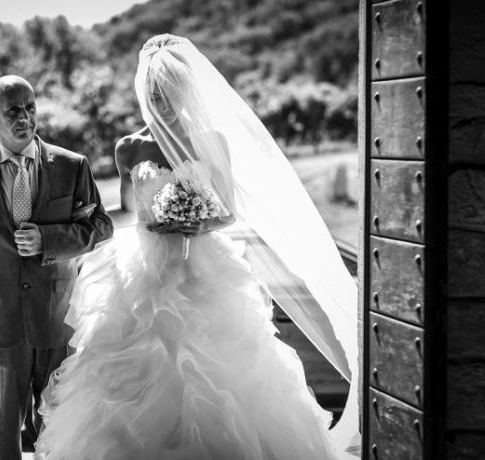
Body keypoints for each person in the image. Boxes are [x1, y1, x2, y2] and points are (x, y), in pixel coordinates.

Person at [35, 35, 358, 459]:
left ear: (184, 92)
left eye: (169, 93)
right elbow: (134, 213)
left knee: (217, 367)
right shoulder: (128, 147)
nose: (162, 102)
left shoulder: (212, 141)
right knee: (138, 369)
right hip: (145, 268)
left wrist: (195, 220)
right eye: (155, 94)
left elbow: (229, 213)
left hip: (204, 266)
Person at [0, 75, 114, 460]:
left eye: (30, 107)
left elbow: (100, 227)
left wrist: (49, 241)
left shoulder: (72, 166)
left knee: (60, 433)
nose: (24, 117)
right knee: (5, 439)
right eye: (12, 110)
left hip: (56, 319)